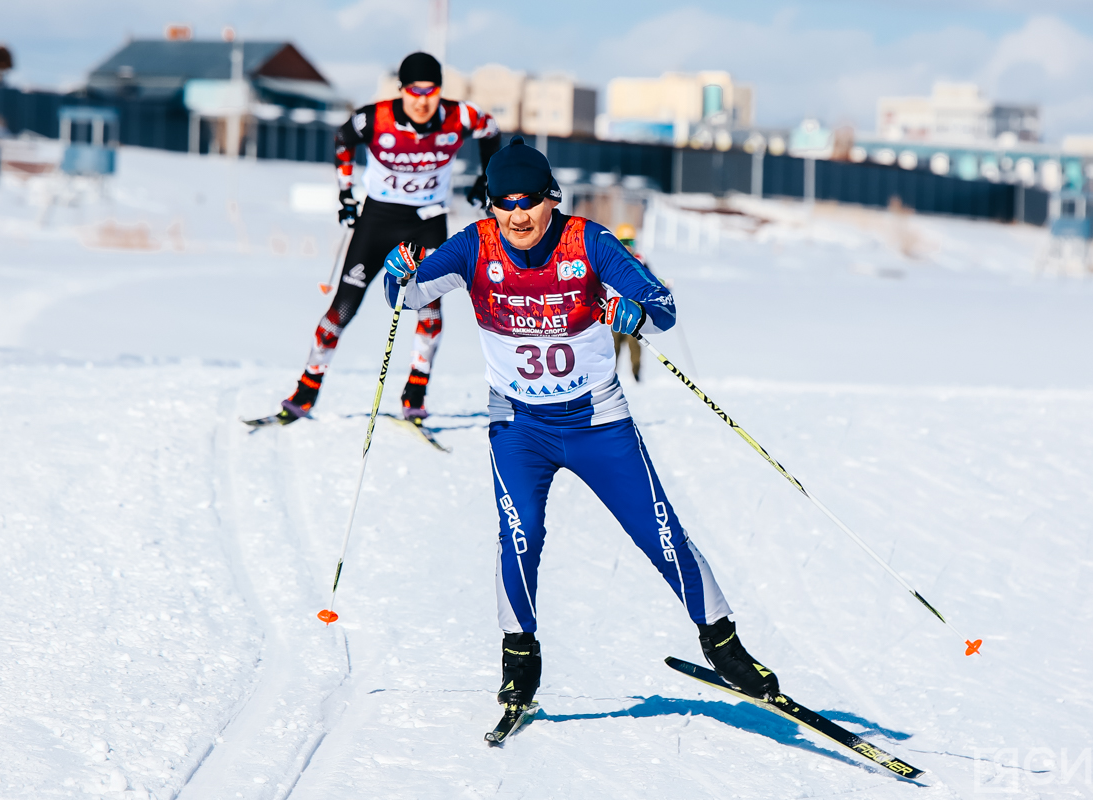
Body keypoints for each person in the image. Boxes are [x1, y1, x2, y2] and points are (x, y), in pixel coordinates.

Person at [381, 137, 780, 718]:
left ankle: (723, 643)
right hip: (518, 427)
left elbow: (663, 305)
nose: (518, 215)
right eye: (504, 202)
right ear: (490, 203)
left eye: (530, 201)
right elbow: (409, 297)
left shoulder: (587, 240)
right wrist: (397, 271)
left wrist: (634, 313)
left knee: (660, 534)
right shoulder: (473, 246)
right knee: (520, 537)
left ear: (551, 197)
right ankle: (519, 663)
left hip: (598, 422)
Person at [270, 52, 500, 424]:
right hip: (378, 220)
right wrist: (345, 194)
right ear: (402, 90)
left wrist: (485, 178)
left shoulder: (461, 117)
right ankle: (307, 390)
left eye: (431, 91)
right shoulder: (375, 118)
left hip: (427, 223)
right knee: (341, 310)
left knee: (429, 309)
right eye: (414, 91)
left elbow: (491, 132)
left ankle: (415, 393)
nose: (422, 100)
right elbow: (343, 139)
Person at [611, 223, 645, 382]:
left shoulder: (640, 262)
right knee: (612, 347)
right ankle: (609, 376)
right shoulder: (612, 260)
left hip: (634, 313)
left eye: (630, 243)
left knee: (635, 346)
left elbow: (651, 283)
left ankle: (636, 375)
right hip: (616, 313)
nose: (627, 247)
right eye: (624, 243)